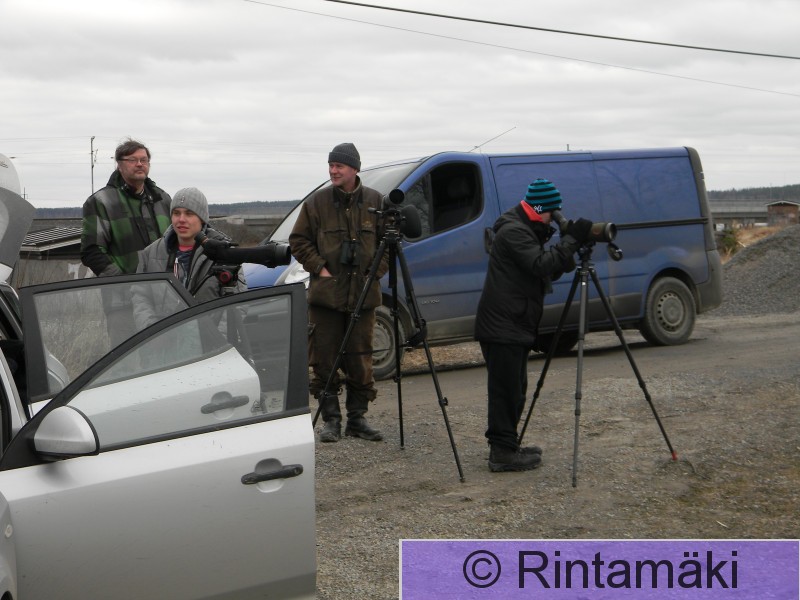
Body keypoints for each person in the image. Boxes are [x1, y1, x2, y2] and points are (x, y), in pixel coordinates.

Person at [474, 178, 593, 472]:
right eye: (553, 212)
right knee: (505, 392)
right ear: (541, 209)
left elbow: (545, 271)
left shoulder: (524, 229)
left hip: (512, 322)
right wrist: (569, 241)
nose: (554, 218)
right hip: (503, 324)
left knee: (515, 389)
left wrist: (568, 245)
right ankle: (502, 454)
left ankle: (508, 445)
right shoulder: (514, 231)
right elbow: (540, 264)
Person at [289, 143, 388, 443]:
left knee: (361, 359)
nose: (333, 170)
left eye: (339, 166)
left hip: (363, 296)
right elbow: (298, 241)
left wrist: (374, 273)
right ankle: (331, 420)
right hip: (326, 298)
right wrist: (320, 268)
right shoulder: (316, 203)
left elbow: (388, 244)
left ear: (354, 169)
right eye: (330, 165)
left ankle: (358, 419)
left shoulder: (375, 201)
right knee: (324, 360)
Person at [81, 138, 172, 344]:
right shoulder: (101, 201)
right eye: (132, 160)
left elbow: (175, 244)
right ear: (119, 165)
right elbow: (92, 252)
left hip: (165, 299)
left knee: (168, 356)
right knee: (128, 358)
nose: (139, 164)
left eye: (144, 160)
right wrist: (126, 284)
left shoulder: (162, 199)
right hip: (123, 304)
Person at [132, 187, 247, 329]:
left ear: (202, 219)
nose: (181, 219)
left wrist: (217, 338)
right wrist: (152, 332)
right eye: (176, 213)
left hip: (210, 340)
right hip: (163, 338)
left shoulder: (224, 254)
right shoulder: (150, 254)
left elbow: (237, 304)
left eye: (189, 213)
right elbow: (140, 297)